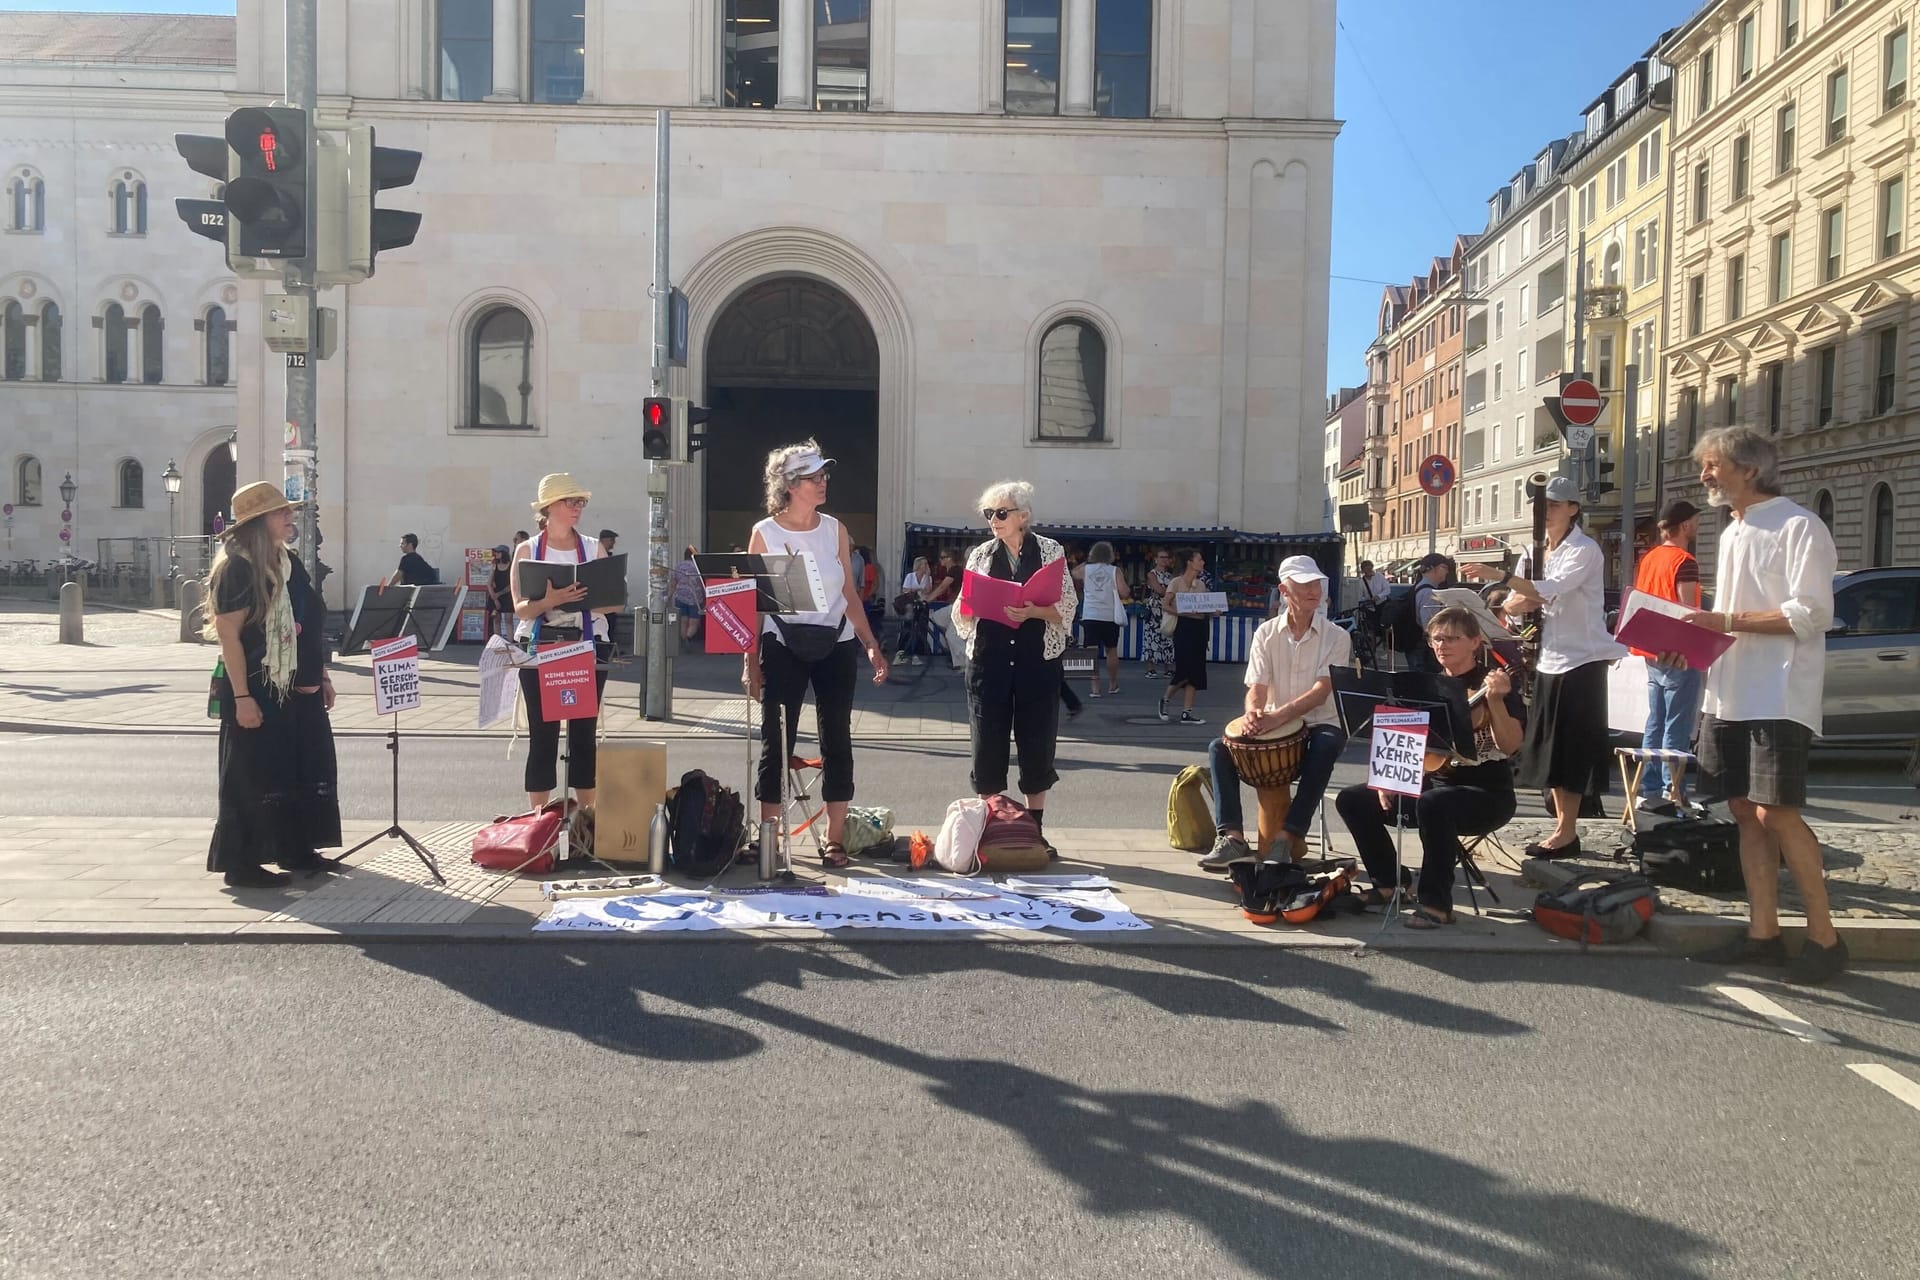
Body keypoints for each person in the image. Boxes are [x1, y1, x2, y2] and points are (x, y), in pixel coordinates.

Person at [1681, 427, 1845, 983]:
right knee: (1744, 815)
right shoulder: (1732, 532)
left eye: (1713, 464)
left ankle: (1825, 938)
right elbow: (1729, 618)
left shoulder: (1800, 525)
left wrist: (1721, 623)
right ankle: (1763, 935)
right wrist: (1694, 643)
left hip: (1778, 693)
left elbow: (1809, 615)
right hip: (1728, 691)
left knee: (1777, 813)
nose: (1704, 474)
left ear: (1748, 469)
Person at [1334, 606, 1526, 928]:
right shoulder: (1426, 686)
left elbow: (1510, 746)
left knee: (1434, 804)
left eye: (1452, 638)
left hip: (1486, 794)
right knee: (1353, 799)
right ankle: (1389, 883)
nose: (1442, 645)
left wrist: (1494, 701)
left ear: (1475, 642)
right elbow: (1401, 740)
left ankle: (1437, 904)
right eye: (1437, 638)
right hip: (1432, 790)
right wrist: (1388, 778)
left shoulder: (1496, 686)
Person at [745, 442, 889, 869]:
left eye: (824, 474)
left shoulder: (834, 529)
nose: (823, 481)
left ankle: (834, 838)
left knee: (837, 736)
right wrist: (750, 663)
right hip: (782, 640)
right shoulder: (765, 532)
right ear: (790, 485)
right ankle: (769, 836)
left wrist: (870, 644)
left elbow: (848, 591)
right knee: (777, 737)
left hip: (837, 640)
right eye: (814, 477)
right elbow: (755, 602)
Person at [1463, 475, 1623, 859]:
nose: (1545, 512)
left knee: (1571, 749)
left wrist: (1499, 577)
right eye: (1541, 505)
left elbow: (1549, 589)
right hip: (1548, 658)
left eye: (1553, 505)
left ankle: (1567, 830)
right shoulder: (1535, 551)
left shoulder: (1584, 549)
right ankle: (1561, 827)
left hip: (1581, 659)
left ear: (1572, 509)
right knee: (1548, 747)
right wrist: (1513, 599)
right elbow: (1521, 599)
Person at [204, 481, 341, 889]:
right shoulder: (238, 568)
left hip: (297, 686)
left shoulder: (287, 562)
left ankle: (295, 848)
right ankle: (242, 862)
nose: (290, 517)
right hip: (258, 687)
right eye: (280, 512)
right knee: (254, 774)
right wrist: (242, 698)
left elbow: (307, 622)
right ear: (256, 522)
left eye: (289, 510)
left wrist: (322, 675)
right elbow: (229, 636)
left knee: (299, 767)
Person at [951, 480, 1079, 856]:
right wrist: (977, 602)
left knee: (1036, 743)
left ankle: (1034, 833)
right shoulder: (981, 554)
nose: (994, 520)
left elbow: (1067, 608)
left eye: (1001, 513)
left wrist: (1033, 611)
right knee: (987, 746)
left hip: (1035, 664)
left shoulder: (1050, 550)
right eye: (989, 514)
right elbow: (962, 609)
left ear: (1023, 516)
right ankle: (993, 829)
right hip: (989, 664)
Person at [1200, 555, 1351, 869]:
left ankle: (1287, 837)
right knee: (1220, 748)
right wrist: (1254, 713)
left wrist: (1276, 717)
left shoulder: (1338, 636)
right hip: (1274, 721)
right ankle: (1232, 837)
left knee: (1324, 746)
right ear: (1285, 590)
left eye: (1317, 583)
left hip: (1321, 720)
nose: (1314, 589)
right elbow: (1256, 685)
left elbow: (1322, 690)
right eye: (1305, 584)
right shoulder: (1266, 633)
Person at [510, 473, 618, 812]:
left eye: (581, 502)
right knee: (542, 736)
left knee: (583, 736)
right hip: (540, 648)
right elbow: (520, 608)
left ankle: (587, 820)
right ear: (549, 507)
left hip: (586, 644)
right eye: (570, 502)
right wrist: (549, 600)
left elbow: (615, 603)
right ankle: (537, 820)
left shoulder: (591, 547)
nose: (578, 508)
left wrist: (575, 601)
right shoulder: (527, 550)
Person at [1630, 500, 1704, 811]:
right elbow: (1689, 613)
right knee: (1677, 724)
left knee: (1655, 722)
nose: (1698, 526)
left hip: (1651, 650)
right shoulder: (1685, 561)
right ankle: (1674, 790)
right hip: (1679, 653)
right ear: (1685, 526)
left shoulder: (1649, 558)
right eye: (1696, 521)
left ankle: (1649, 789)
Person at [1158, 548, 1213, 724]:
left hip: (1199, 629)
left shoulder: (1201, 585)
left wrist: (1214, 609)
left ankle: (1186, 711)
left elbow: (1204, 608)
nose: (1202, 563)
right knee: (1183, 670)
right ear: (1190, 562)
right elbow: (1165, 604)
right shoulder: (1176, 582)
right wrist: (1182, 612)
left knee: (1196, 671)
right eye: (1199, 559)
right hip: (1183, 628)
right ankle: (1165, 699)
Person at [1075, 540, 1130, 698]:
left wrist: (1087, 561)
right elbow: (1124, 592)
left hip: (1091, 615)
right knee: (1111, 650)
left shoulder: (1086, 569)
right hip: (1109, 616)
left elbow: (1073, 573)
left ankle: (1095, 688)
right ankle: (1112, 684)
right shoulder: (1115, 571)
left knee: (1091, 651)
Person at [1141, 547, 1177, 678]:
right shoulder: (1151, 574)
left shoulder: (1171, 576)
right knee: (1152, 637)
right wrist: (1168, 591)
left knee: (1168, 636)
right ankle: (1151, 668)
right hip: (1154, 609)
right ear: (1156, 559)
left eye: (1166, 557)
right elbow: (1160, 590)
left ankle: (1169, 667)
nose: (1164, 560)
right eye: (1162, 557)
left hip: (1166, 609)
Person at [894, 555, 936, 666]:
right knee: (908, 628)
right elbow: (905, 590)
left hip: (922, 605)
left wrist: (927, 576)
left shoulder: (928, 578)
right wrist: (917, 589)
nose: (926, 566)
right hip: (910, 605)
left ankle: (917, 654)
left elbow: (927, 590)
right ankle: (901, 653)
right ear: (918, 565)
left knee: (921, 630)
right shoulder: (910, 576)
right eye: (924, 564)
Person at [672, 543, 704, 643]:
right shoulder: (698, 567)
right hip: (695, 598)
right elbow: (702, 582)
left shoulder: (678, 566)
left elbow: (673, 582)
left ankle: (683, 639)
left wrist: (669, 596)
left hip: (680, 597)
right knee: (694, 622)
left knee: (683, 621)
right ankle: (688, 637)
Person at [486, 543, 514, 641]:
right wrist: (494, 596)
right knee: (496, 619)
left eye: (498, 552)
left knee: (508, 620)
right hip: (495, 594)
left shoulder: (511, 566)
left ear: (504, 553)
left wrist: (499, 594)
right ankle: (498, 642)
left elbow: (513, 584)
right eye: (496, 552)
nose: (496, 554)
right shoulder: (494, 565)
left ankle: (510, 643)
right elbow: (489, 583)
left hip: (507, 594)